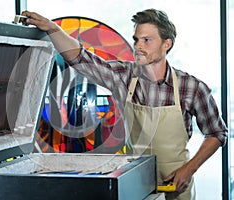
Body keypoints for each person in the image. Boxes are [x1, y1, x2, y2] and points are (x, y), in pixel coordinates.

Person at [21, 9, 228, 200]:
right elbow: (81, 59)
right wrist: (52, 28)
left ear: (167, 44)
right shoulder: (123, 76)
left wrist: (189, 169)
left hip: (177, 186)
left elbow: (217, 133)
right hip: (137, 184)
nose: (138, 46)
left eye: (147, 40)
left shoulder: (191, 87)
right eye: (136, 39)